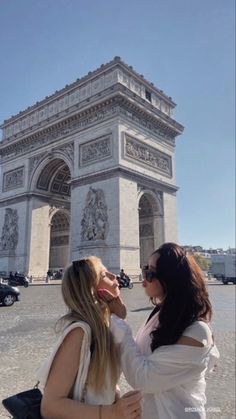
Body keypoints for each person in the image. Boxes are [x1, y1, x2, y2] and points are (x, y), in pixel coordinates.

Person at [111, 242, 220, 419]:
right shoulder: (160, 313)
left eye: (150, 273)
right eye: (145, 268)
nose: (143, 276)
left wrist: (118, 324)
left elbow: (144, 378)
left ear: (170, 279)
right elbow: (139, 355)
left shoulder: (197, 331)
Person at [38, 256, 142, 419]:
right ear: (91, 289)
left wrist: (118, 403)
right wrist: (113, 412)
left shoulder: (104, 327)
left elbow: (101, 385)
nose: (114, 276)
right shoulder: (79, 333)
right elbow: (50, 406)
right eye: (104, 275)